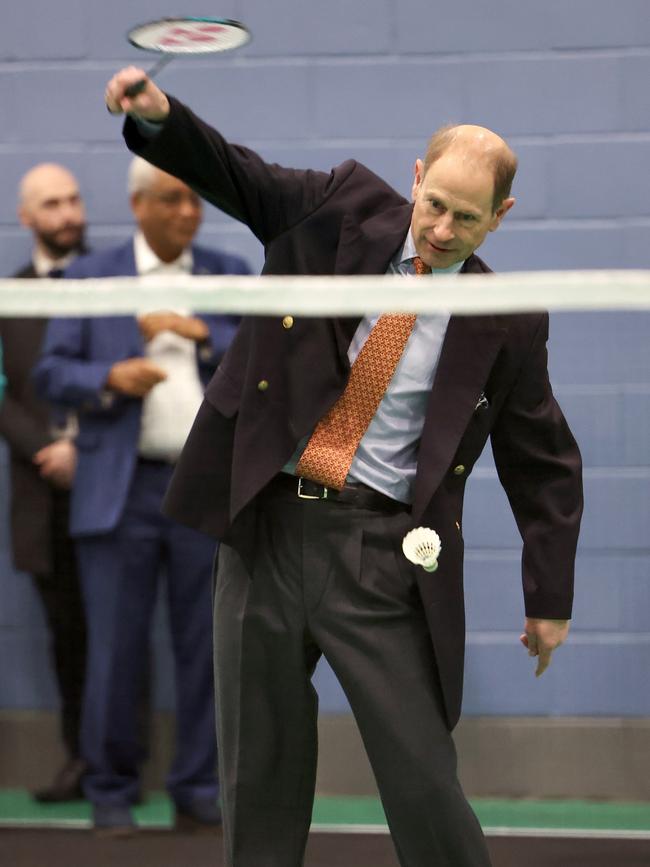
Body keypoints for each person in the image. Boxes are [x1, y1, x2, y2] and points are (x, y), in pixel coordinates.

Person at [104, 68, 583, 866]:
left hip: (379, 556)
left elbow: (543, 460)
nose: (439, 231)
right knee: (259, 780)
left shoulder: (508, 316)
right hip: (264, 529)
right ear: (417, 179)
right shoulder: (336, 206)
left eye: (467, 219)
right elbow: (236, 172)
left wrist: (549, 599)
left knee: (426, 780)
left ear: (499, 219)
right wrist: (160, 122)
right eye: (434, 205)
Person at [33, 156, 251, 835]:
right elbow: (49, 370)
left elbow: (266, 367)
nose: (189, 212)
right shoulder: (92, 276)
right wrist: (111, 376)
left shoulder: (227, 276)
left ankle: (196, 787)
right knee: (114, 649)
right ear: (137, 204)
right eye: (173, 198)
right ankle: (110, 788)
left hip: (203, 488)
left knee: (206, 647)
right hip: (118, 490)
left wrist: (206, 335)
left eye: (196, 200)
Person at [0, 163, 87, 802]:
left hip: (110, 484)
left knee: (120, 627)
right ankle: (80, 759)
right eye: (52, 204)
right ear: (28, 217)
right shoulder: (10, 297)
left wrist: (83, 449)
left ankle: (120, 760)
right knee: (66, 632)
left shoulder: (112, 283)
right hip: (40, 492)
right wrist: (47, 450)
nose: (68, 214)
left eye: (74, 200)